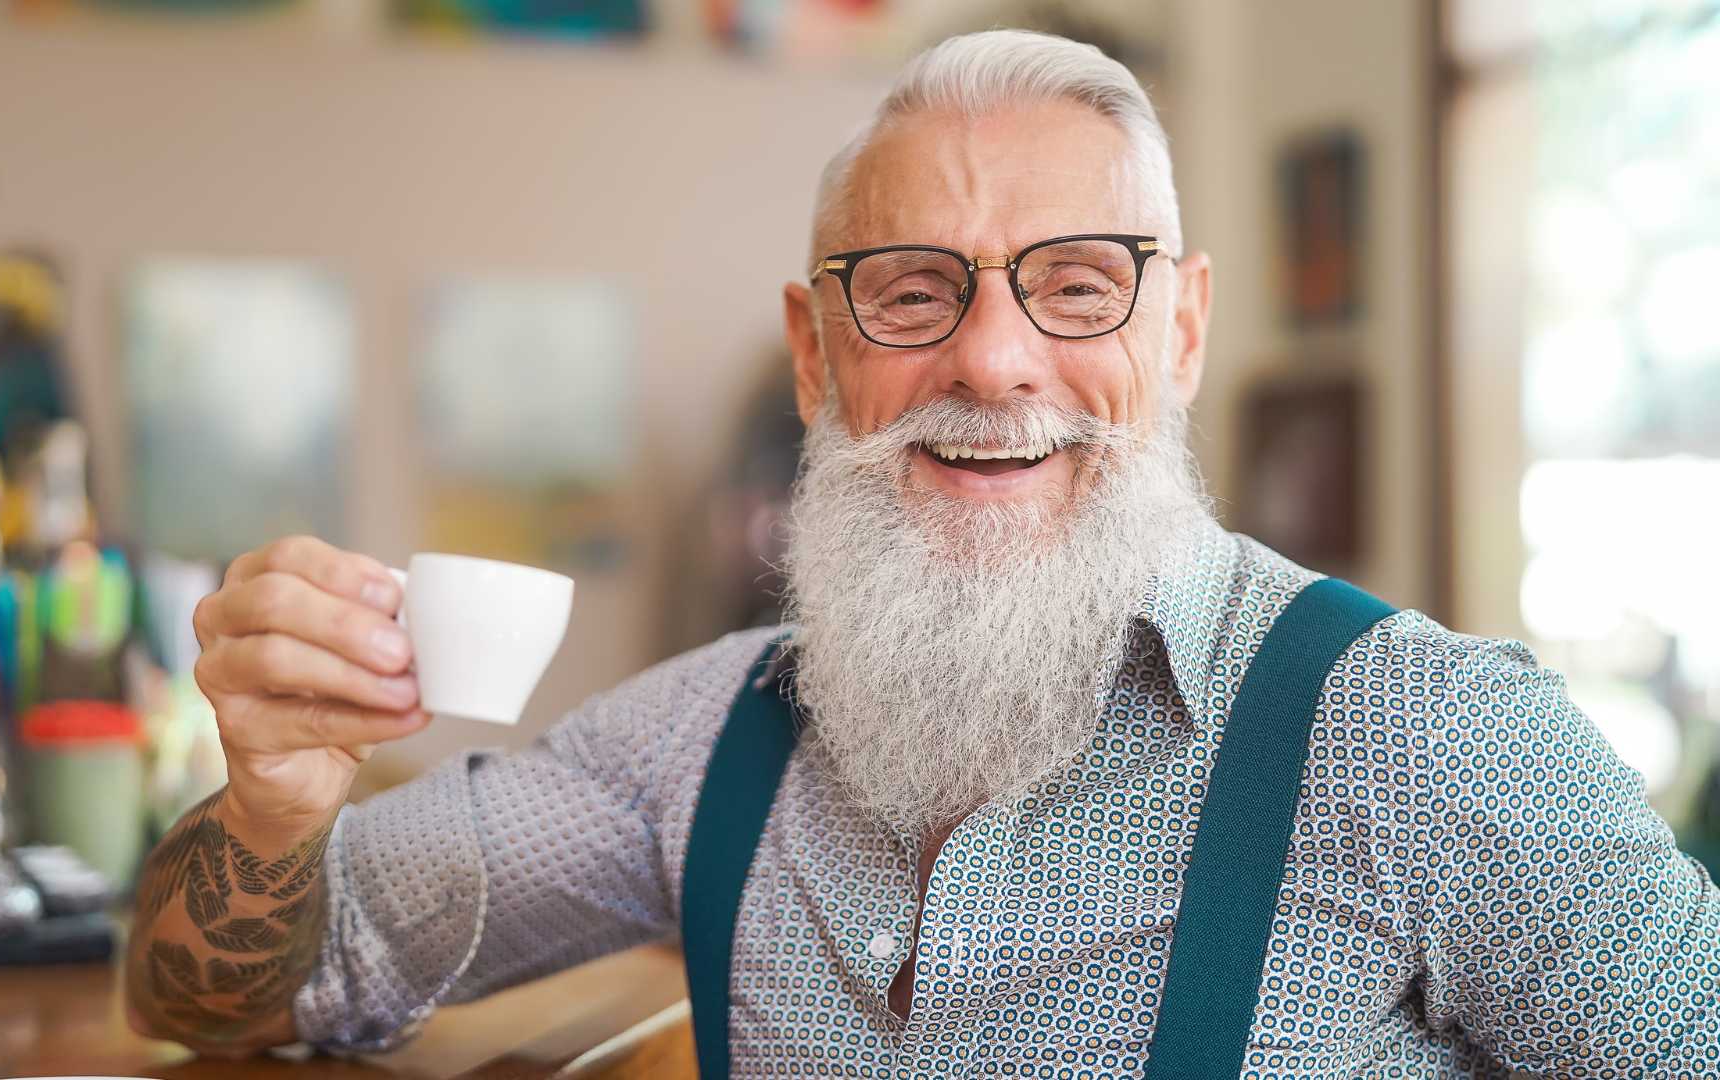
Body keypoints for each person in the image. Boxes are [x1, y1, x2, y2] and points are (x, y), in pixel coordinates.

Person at [124, 29, 1720, 1077]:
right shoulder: (697, 743)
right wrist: (273, 801)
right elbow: (208, 995)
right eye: (911, 291)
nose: (996, 362)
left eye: (1079, 284)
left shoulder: (1431, 744)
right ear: (818, 358)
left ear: (1181, 333)